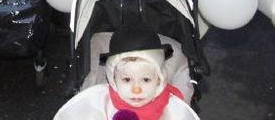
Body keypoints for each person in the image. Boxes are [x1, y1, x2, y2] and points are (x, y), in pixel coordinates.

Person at [54, 23, 199, 120]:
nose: (136, 89)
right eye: (127, 79)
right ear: (113, 79)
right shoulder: (101, 100)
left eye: (146, 79)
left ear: (159, 79)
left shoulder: (171, 105)